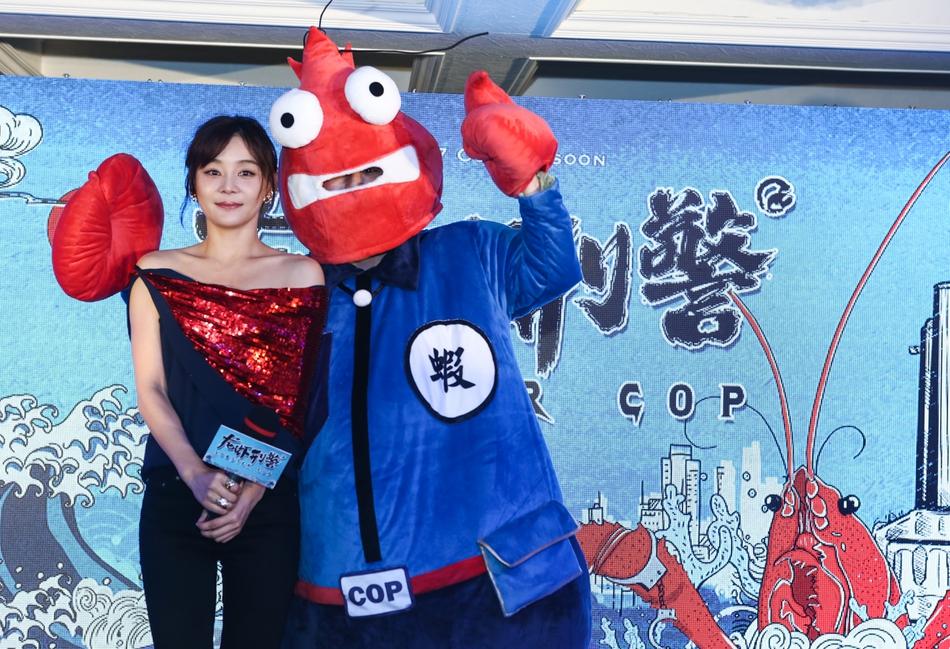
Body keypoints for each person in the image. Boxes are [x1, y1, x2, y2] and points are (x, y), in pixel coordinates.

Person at [271, 28, 591, 648]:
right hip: (340, 596)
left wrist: (535, 186)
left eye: (361, 174)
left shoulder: (468, 250)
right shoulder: (298, 294)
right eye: (334, 182)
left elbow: (551, 269)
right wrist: (138, 286)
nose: (348, 187)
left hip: (495, 583)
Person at [128, 115, 327, 649]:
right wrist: (194, 474)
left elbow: (300, 401)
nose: (228, 186)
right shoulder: (156, 273)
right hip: (177, 492)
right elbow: (151, 389)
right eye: (213, 171)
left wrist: (251, 493)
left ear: (268, 187)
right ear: (194, 183)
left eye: (246, 172)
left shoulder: (302, 275)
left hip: (267, 501)